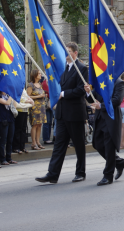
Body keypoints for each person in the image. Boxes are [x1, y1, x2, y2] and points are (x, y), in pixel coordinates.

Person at [36, 42, 88, 184]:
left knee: (78, 145)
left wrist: (63, 94)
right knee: (59, 145)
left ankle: (80, 172)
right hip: (62, 113)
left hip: (75, 113)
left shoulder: (82, 69)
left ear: (75, 53)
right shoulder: (64, 68)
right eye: (66, 51)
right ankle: (52, 174)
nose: (66, 54)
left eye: (69, 51)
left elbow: (81, 90)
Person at [85, 78, 124, 185]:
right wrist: (88, 92)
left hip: (111, 119)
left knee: (109, 147)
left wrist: (101, 106)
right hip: (100, 118)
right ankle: (119, 162)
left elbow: (117, 100)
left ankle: (108, 176)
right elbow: (92, 98)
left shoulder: (119, 83)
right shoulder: (102, 81)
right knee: (97, 144)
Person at [0, 90, 17, 165]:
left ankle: (9, 157)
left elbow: (15, 106)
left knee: (10, 140)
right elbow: (7, 103)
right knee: (3, 140)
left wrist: (13, 98)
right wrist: (11, 96)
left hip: (11, 119)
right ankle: (2, 158)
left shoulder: (8, 97)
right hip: (3, 119)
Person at [27, 70, 47, 150]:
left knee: (40, 124)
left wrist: (43, 95)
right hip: (34, 107)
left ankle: (38, 142)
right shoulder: (30, 85)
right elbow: (28, 96)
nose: (40, 75)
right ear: (35, 75)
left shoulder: (40, 84)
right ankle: (33, 143)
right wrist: (38, 96)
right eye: (39, 73)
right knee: (34, 125)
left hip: (41, 106)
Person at [13, 88, 34, 154]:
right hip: (19, 110)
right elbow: (17, 97)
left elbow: (27, 96)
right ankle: (16, 147)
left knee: (23, 128)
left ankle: (22, 146)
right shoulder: (15, 87)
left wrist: (30, 100)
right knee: (18, 129)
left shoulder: (23, 88)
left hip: (25, 109)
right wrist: (28, 101)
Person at [42, 79, 54, 144]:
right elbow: (48, 93)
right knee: (46, 122)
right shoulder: (44, 83)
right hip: (47, 103)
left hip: (50, 103)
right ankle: (46, 138)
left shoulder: (49, 82)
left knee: (49, 122)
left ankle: (48, 138)